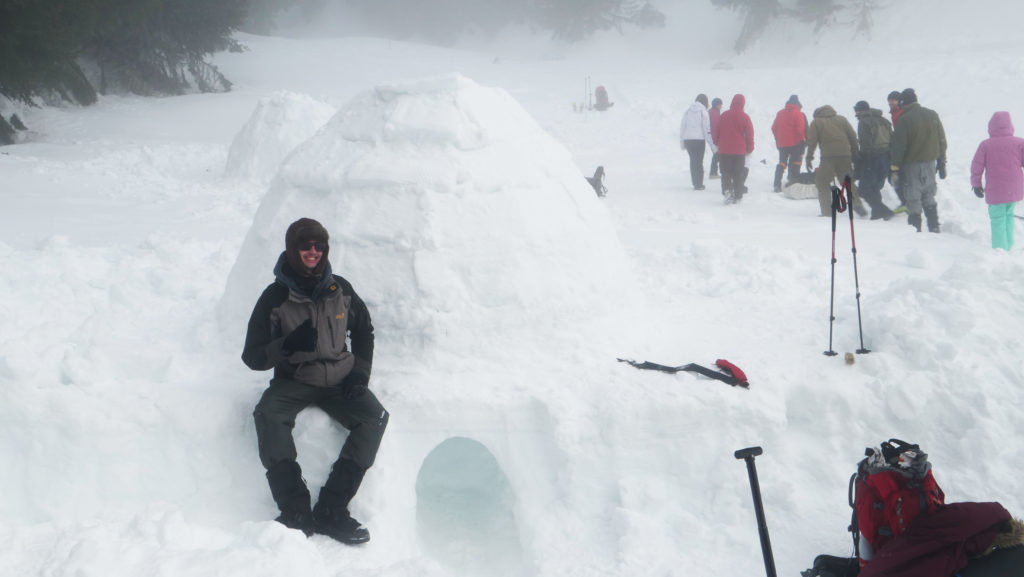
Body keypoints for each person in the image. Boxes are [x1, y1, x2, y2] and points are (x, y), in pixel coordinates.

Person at [242, 217, 388, 544]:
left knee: (374, 417)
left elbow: (364, 331)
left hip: (340, 380)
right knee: (268, 414)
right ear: (292, 249)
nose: (312, 251)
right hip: (295, 379)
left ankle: (332, 510)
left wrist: (359, 376)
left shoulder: (341, 290)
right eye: (305, 245)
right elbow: (252, 356)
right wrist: (286, 345)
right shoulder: (274, 297)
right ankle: (295, 510)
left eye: (319, 245)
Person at [890, 88, 947, 232]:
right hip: (930, 164)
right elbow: (942, 140)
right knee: (929, 194)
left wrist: (894, 168)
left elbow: (899, 147)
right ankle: (934, 227)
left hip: (912, 165)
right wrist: (942, 162)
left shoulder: (904, 119)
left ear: (903, 103)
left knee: (913, 198)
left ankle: (916, 231)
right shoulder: (932, 114)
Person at [970, 111, 1024, 250]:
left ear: (991, 127)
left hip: (996, 190)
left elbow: (977, 166)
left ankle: (1000, 250)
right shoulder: (1019, 143)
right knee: (1009, 216)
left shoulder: (985, 145)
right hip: (1015, 188)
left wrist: (976, 184)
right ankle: (1009, 246)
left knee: (998, 219)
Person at [805, 104, 866, 217]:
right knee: (847, 181)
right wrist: (854, 152)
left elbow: (812, 141)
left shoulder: (817, 122)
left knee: (822, 182)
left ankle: (827, 212)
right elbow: (852, 136)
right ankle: (857, 203)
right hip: (845, 155)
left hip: (828, 157)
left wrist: (809, 158)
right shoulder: (842, 119)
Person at [853, 100, 895, 220]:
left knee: (864, 189)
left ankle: (884, 211)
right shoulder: (884, 120)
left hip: (872, 158)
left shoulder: (863, 122)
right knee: (875, 187)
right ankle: (877, 213)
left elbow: (866, 145)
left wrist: (860, 160)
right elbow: (892, 139)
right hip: (886, 158)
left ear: (859, 110)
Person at [712, 93, 754, 204]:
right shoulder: (745, 117)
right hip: (739, 151)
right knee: (738, 173)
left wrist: (717, 142)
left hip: (724, 150)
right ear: (743, 104)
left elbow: (716, 131)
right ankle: (738, 195)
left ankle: (727, 191)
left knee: (725, 172)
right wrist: (750, 148)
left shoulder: (724, 115)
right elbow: (750, 134)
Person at [771, 94, 808, 192]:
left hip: (782, 144)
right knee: (796, 162)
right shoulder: (798, 114)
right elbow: (800, 130)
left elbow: (774, 128)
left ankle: (776, 184)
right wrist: (802, 140)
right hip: (795, 143)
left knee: (782, 163)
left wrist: (778, 139)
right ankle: (793, 182)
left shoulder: (780, 113)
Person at [679, 93, 715, 190]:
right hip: (699, 140)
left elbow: (683, 127)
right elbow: (706, 129)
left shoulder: (687, 111)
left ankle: (695, 182)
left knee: (693, 161)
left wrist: (682, 141)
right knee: (699, 161)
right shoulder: (703, 112)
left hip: (688, 140)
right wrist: (711, 144)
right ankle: (699, 184)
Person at [886, 90, 907, 210]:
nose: (891, 105)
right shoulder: (895, 113)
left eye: (893, 102)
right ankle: (905, 201)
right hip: (899, 147)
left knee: (896, 175)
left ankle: (906, 202)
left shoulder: (901, 113)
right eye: (889, 103)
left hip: (902, 149)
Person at [709, 97, 724, 178]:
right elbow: (715, 127)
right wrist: (717, 139)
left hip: (712, 136)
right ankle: (713, 173)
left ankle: (713, 172)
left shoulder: (712, 112)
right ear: (717, 105)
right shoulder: (714, 113)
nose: (721, 106)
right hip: (714, 137)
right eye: (720, 104)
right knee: (717, 154)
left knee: (716, 154)